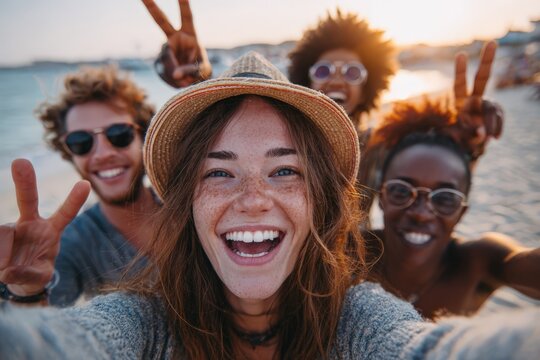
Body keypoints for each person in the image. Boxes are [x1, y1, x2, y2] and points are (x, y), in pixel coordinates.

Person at [1, 52, 540, 360]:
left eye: (285, 171)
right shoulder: (149, 320)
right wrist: (23, 299)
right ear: (186, 202)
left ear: (321, 202)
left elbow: (424, 348)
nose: (254, 200)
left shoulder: (354, 315)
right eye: (219, 172)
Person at [363, 98, 540, 319]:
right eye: (402, 191)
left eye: (445, 199)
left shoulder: (476, 263)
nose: (421, 212)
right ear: (382, 197)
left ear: (461, 212)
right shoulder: (349, 255)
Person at [0, 66, 158, 306]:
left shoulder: (193, 203)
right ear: (68, 153)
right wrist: (27, 292)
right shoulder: (72, 241)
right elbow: (42, 332)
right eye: (81, 141)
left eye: (119, 134)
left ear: (144, 135)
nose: (103, 153)